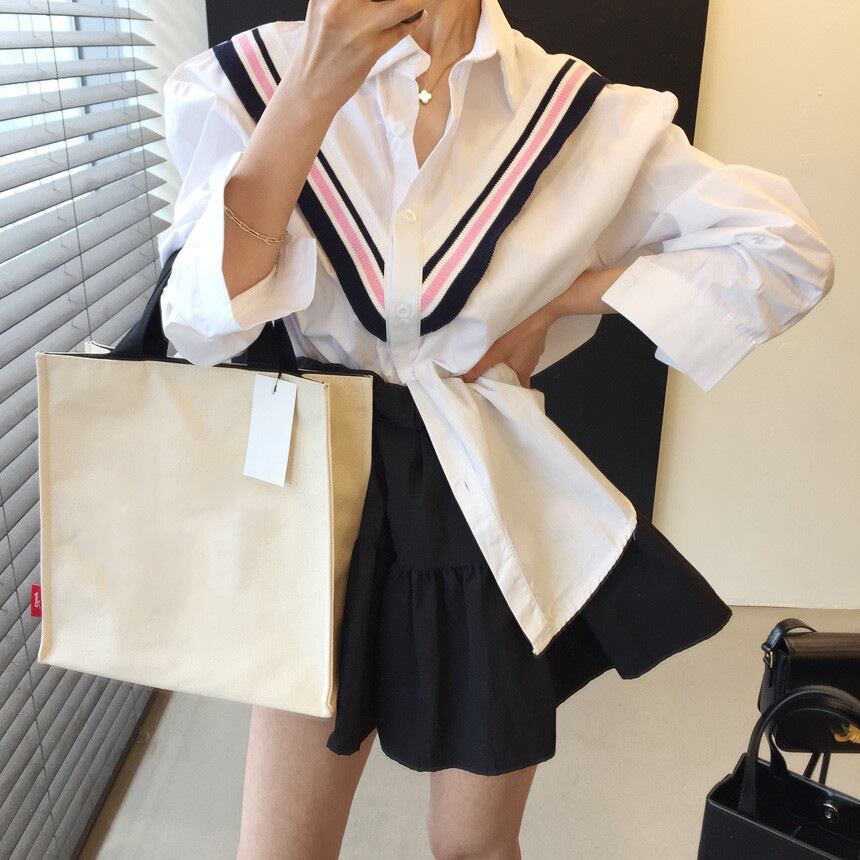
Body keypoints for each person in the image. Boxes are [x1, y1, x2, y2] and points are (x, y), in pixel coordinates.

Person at [156, 0, 836, 856]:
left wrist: (569, 298)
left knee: (473, 847)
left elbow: (787, 250)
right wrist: (311, 90)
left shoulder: (575, 115)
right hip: (320, 505)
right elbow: (197, 324)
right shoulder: (251, 80)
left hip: (484, 501)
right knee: (281, 850)